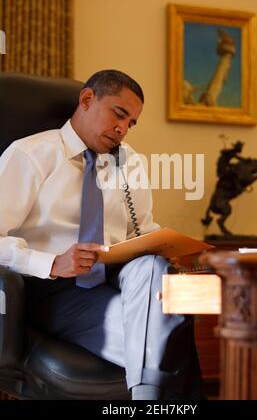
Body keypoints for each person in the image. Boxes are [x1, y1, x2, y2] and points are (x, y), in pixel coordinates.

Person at [0, 70, 205, 400]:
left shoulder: (130, 162)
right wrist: (52, 262)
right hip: (53, 289)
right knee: (167, 339)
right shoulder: (30, 155)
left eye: (131, 123)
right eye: (119, 114)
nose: (123, 129)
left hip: (117, 279)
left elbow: (141, 228)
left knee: (154, 268)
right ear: (86, 100)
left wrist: (177, 248)